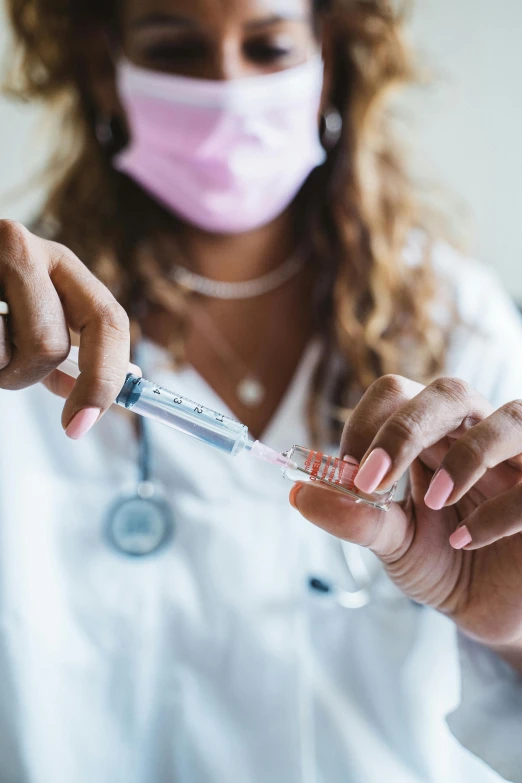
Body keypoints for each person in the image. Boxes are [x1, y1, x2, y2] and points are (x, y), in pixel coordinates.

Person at [1, 0, 522, 781]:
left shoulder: (460, 323)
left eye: (270, 46)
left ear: (330, 66)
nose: (228, 87)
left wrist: (515, 637)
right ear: (106, 70)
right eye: (175, 49)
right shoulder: (24, 330)